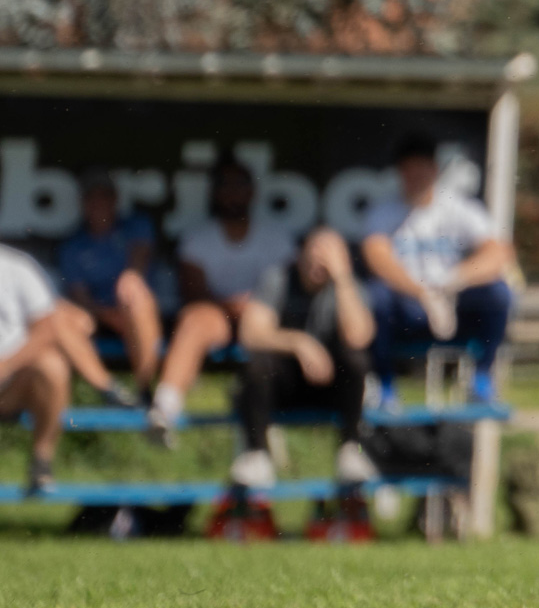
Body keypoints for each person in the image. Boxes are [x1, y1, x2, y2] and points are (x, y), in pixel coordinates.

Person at [148, 158, 296, 443]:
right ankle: (164, 409)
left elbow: (291, 293)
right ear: (214, 193)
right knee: (195, 319)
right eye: (225, 186)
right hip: (220, 321)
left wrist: (255, 310)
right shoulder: (197, 239)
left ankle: (269, 425)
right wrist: (235, 307)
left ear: (252, 191)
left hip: (268, 325)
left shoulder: (277, 238)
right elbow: (194, 295)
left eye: (240, 185)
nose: (232, 193)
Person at [361, 134, 514, 409]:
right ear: (400, 173)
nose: (417, 176)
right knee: (375, 296)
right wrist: (421, 292)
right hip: (408, 308)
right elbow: (377, 258)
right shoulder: (384, 212)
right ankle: (383, 385)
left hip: (452, 303)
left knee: (499, 293)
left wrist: (453, 281)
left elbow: (498, 252)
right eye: (410, 170)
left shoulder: (457, 207)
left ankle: (481, 379)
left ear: (434, 169)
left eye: (423, 168)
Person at [228, 227, 379, 491]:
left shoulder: (349, 286)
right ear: (300, 255)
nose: (320, 263)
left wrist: (342, 278)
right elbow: (250, 333)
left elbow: (359, 337)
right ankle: (257, 455)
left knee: (356, 360)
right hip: (284, 387)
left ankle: (350, 450)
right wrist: (300, 342)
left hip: (332, 389)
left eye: (330, 256)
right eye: (315, 253)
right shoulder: (279, 278)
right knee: (256, 364)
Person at [58, 170, 162, 398]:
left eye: (104, 196)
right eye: (91, 197)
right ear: (82, 203)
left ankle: (146, 391)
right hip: (98, 319)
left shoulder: (136, 226)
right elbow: (79, 296)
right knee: (60, 317)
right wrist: (110, 316)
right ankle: (110, 391)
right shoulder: (73, 246)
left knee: (135, 295)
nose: (97, 203)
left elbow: (140, 257)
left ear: (115, 199)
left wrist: (131, 277)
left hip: (137, 312)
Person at [0, 244, 76, 494]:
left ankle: (41, 460)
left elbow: (45, 328)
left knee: (52, 365)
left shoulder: (16, 265)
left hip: (12, 381)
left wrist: (8, 364)